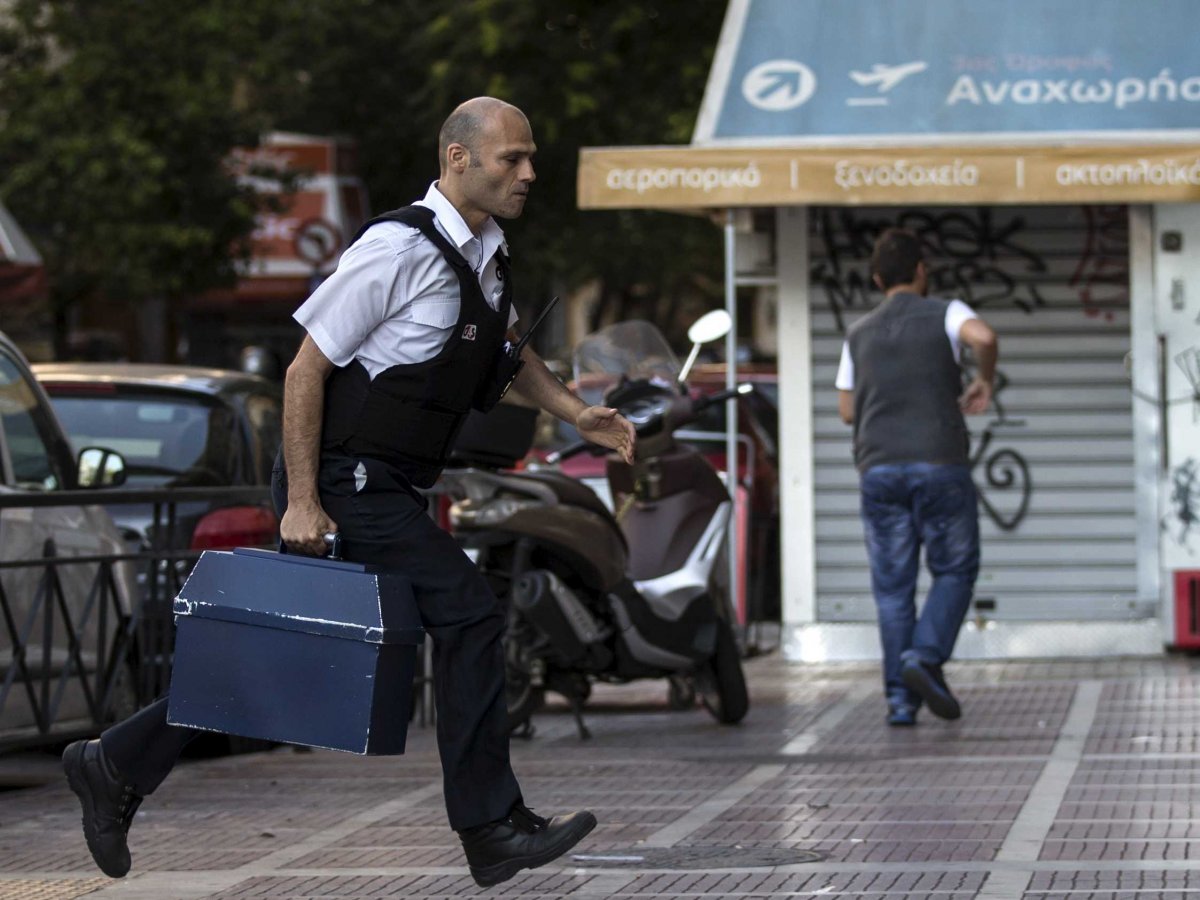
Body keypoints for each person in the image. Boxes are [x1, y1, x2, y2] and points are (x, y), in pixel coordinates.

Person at [62, 97, 636, 888]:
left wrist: (577, 412)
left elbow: (507, 346)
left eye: (531, 157)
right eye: (513, 158)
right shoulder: (396, 249)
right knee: (468, 612)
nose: (529, 173)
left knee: (281, 653)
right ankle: (490, 826)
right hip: (342, 477)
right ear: (459, 158)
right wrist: (303, 498)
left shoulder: (487, 252)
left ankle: (114, 763)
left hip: (384, 481)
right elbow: (306, 368)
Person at [834, 227, 998, 728]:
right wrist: (983, 378)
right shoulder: (947, 312)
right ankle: (923, 658)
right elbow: (984, 337)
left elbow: (846, 411)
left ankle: (900, 702)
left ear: (878, 277)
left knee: (892, 589)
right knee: (954, 570)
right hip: (939, 462)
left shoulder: (857, 333)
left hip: (879, 468)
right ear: (922, 272)